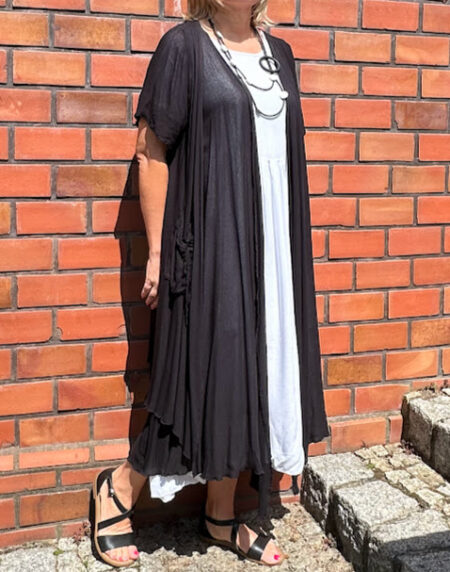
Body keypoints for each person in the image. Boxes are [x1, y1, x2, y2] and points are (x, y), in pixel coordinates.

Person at [91, 0, 330, 568]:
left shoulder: (281, 55)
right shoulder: (184, 48)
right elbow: (151, 153)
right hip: (211, 239)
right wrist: (156, 251)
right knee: (203, 372)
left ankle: (221, 515)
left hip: (274, 244)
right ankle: (118, 488)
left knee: (254, 372)